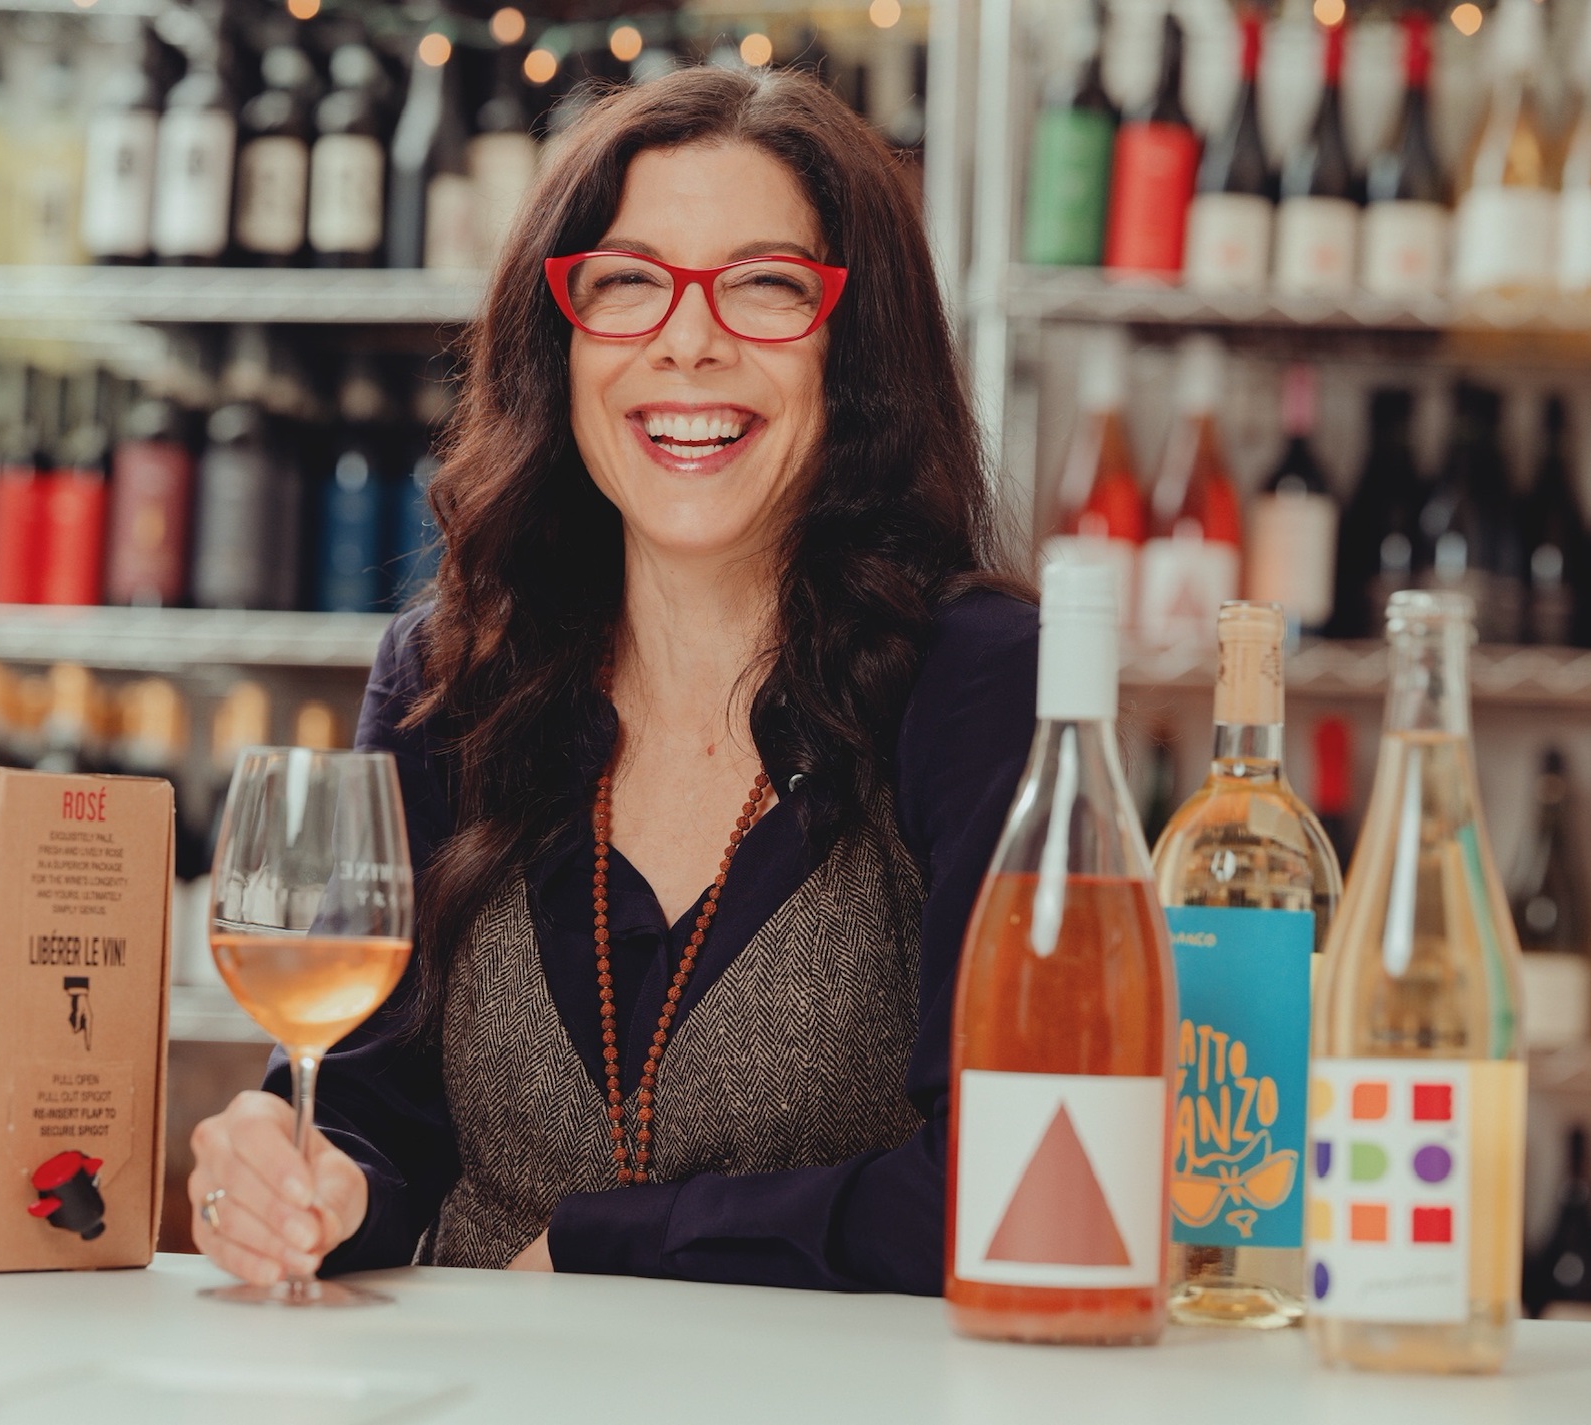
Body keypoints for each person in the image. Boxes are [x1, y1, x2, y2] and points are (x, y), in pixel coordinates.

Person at [188, 63, 1038, 1294]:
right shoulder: (448, 676)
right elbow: (374, 1120)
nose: (686, 343)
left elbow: (1018, 1177)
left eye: (764, 288)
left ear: (855, 351)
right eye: (627, 285)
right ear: (562, 342)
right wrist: (298, 1170)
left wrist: (613, 1243)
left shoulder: (977, 685)